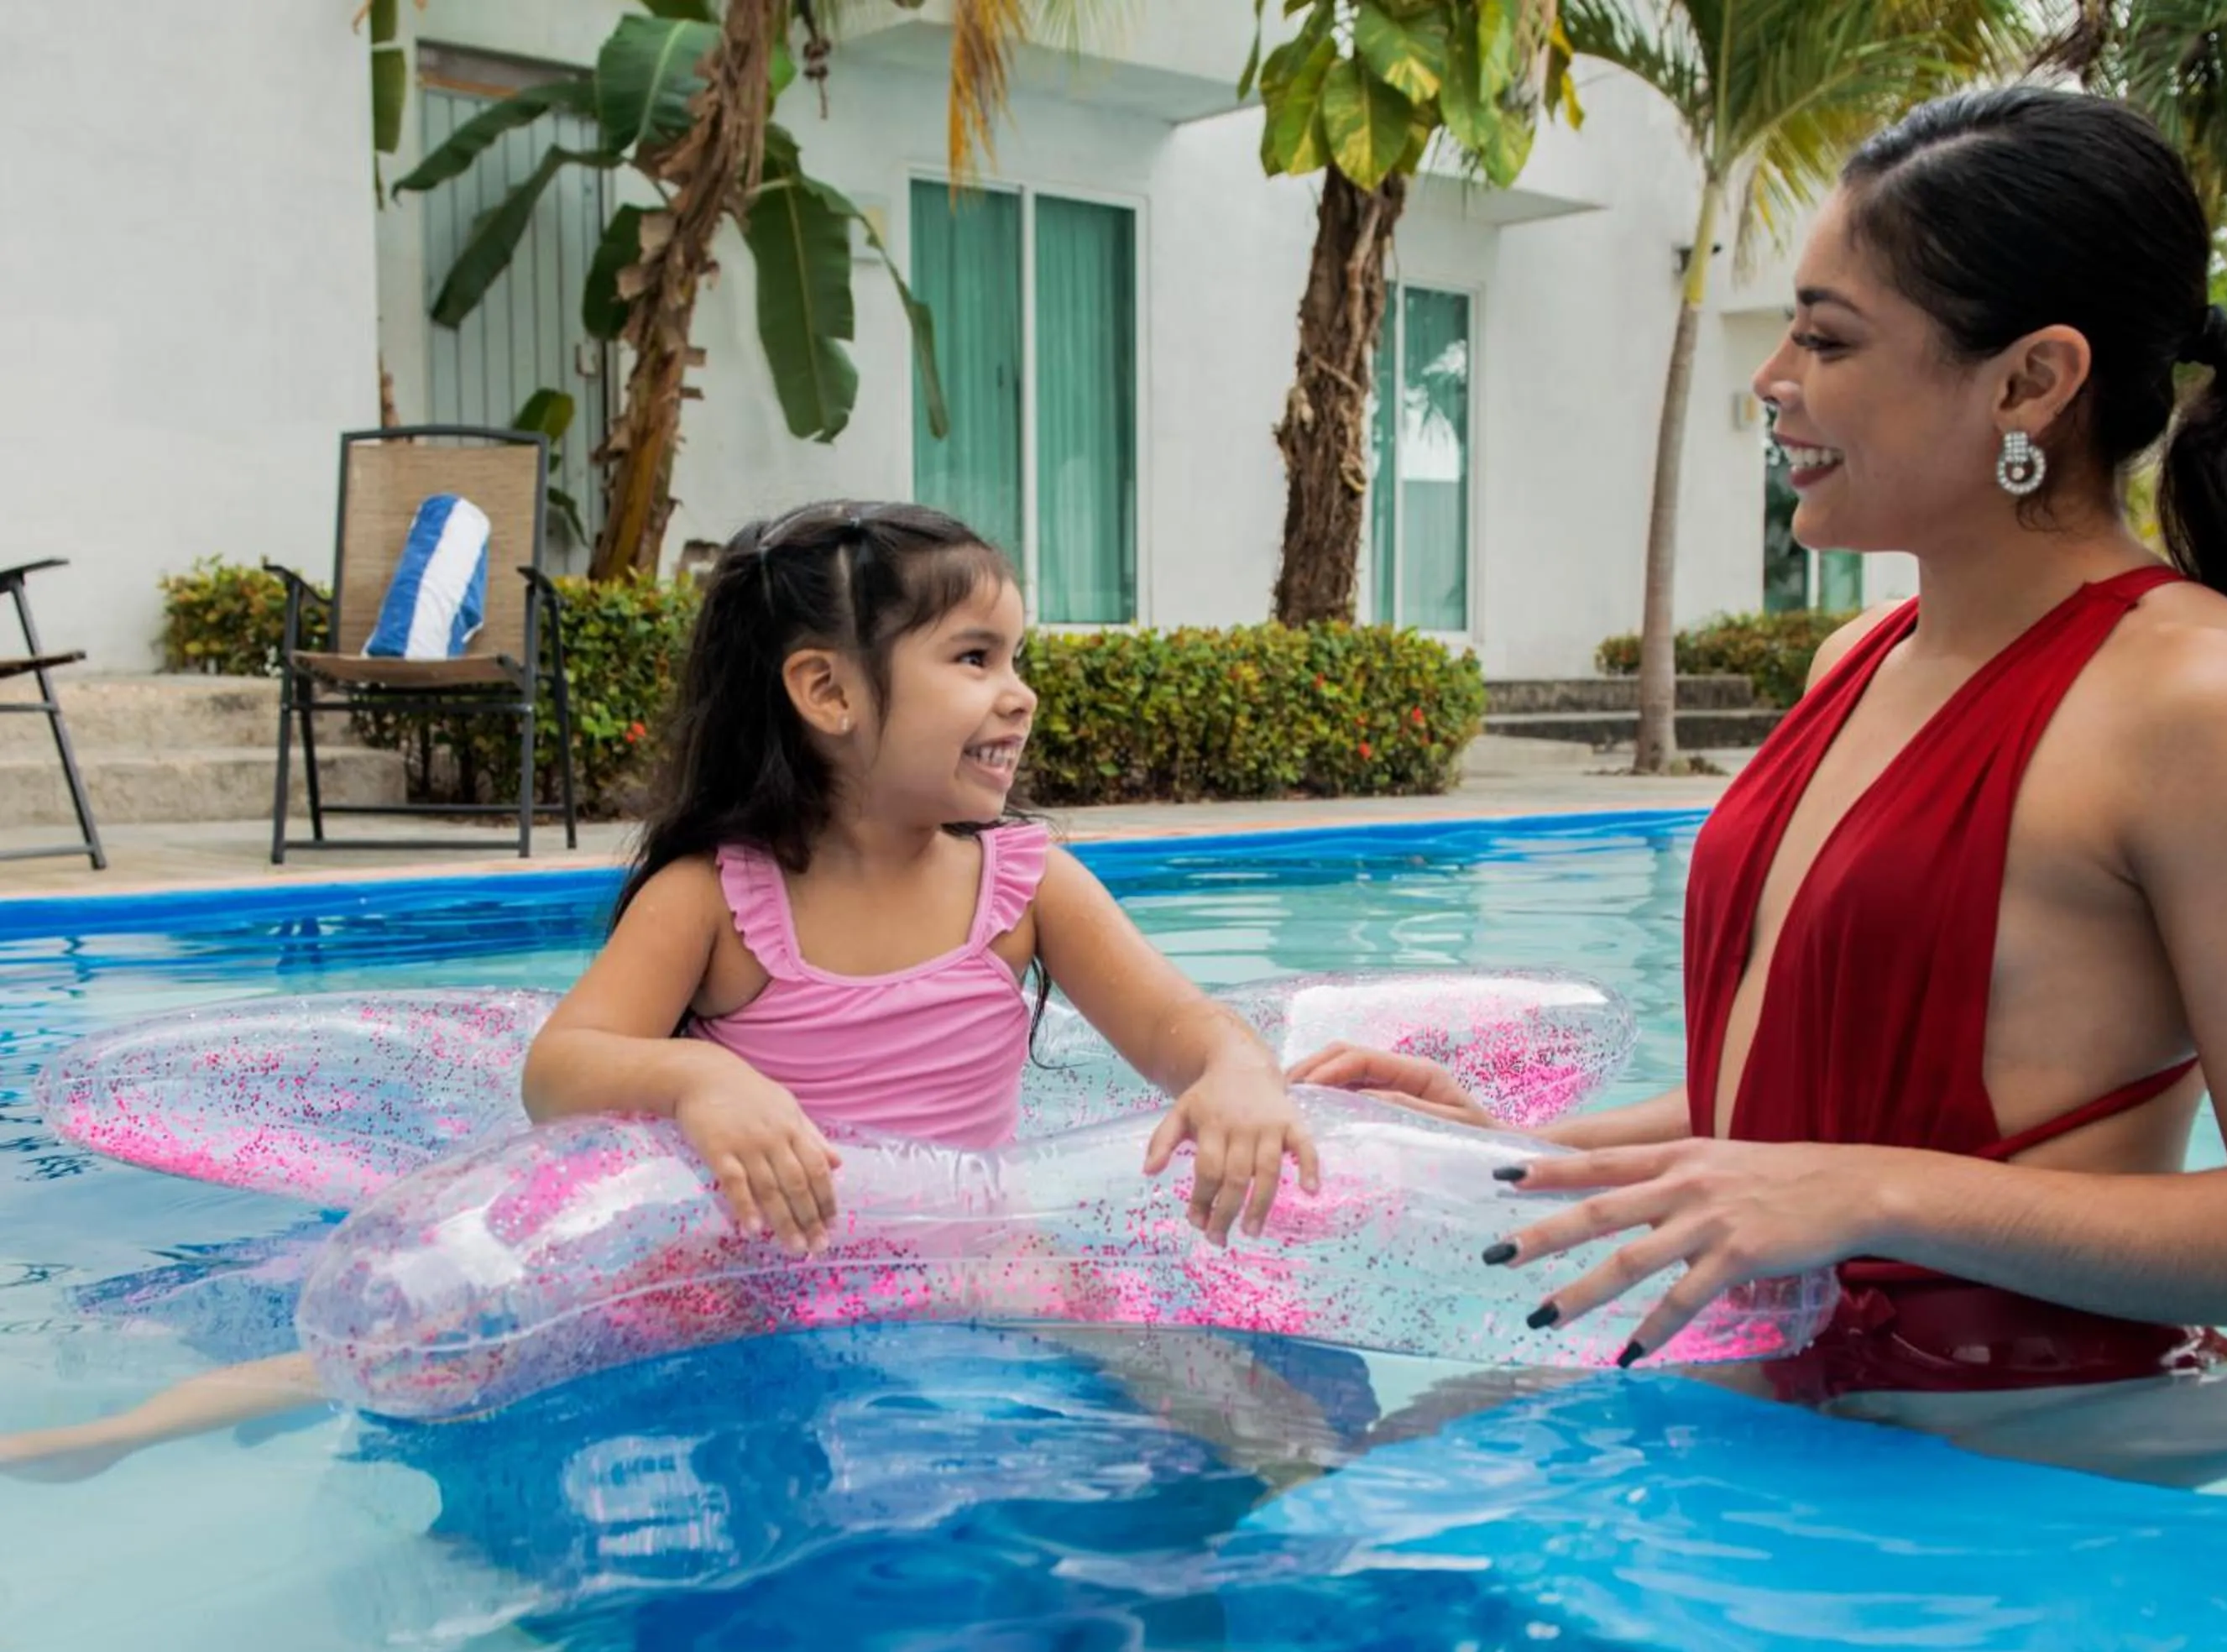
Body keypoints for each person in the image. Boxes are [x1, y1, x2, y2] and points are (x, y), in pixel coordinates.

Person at [1295, 87, 2227, 1479]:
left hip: (2017, 1471)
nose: (1774, 378)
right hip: (1772, 1408)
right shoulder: (1860, 656)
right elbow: (1808, 1115)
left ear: (2032, 383)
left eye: (1829, 339)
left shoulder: (2210, 705)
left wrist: (1870, 1193)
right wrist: (1522, 1155)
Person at [4, 499, 1327, 1479]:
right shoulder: (719, 894)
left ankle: (1317, 1515)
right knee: (445, 1347)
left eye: (1016, 657)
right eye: (974, 658)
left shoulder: (1028, 885)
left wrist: (1238, 1072)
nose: (1021, 694)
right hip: (744, 1264)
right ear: (826, 691)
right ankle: (124, 1431)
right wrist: (703, 1071)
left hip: (973, 1254)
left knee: (1231, 1398)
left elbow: (1179, 1026)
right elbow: (561, 1065)